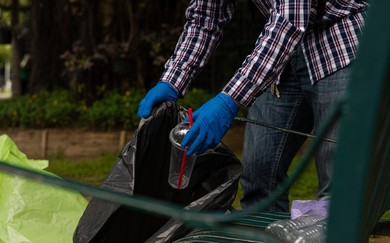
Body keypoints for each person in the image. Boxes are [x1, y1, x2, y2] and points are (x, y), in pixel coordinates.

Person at [137, 0, 368, 212]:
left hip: (339, 43)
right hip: (282, 60)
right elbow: (206, 16)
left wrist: (229, 101)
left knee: (339, 188)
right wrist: (172, 80)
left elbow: (289, 20)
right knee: (259, 177)